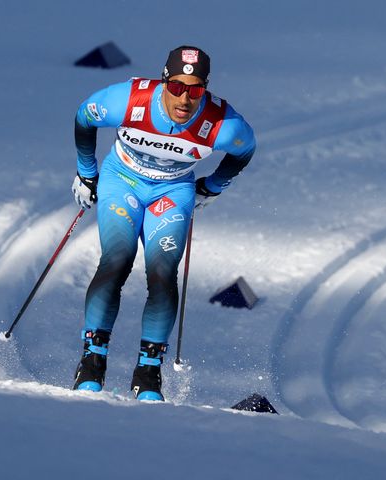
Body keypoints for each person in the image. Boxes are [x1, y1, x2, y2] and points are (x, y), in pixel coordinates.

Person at [70, 46, 256, 401]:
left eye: (196, 89)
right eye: (176, 88)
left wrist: (213, 187)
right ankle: (92, 360)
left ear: (206, 88)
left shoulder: (221, 123)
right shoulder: (128, 99)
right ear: (164, 81)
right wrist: (86, 172)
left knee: (161, 271)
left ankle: (149, 370)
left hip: (172, 192)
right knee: (117, 259)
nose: (185, 99)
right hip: (121, 182)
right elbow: (84, 117)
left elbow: (245, 150)